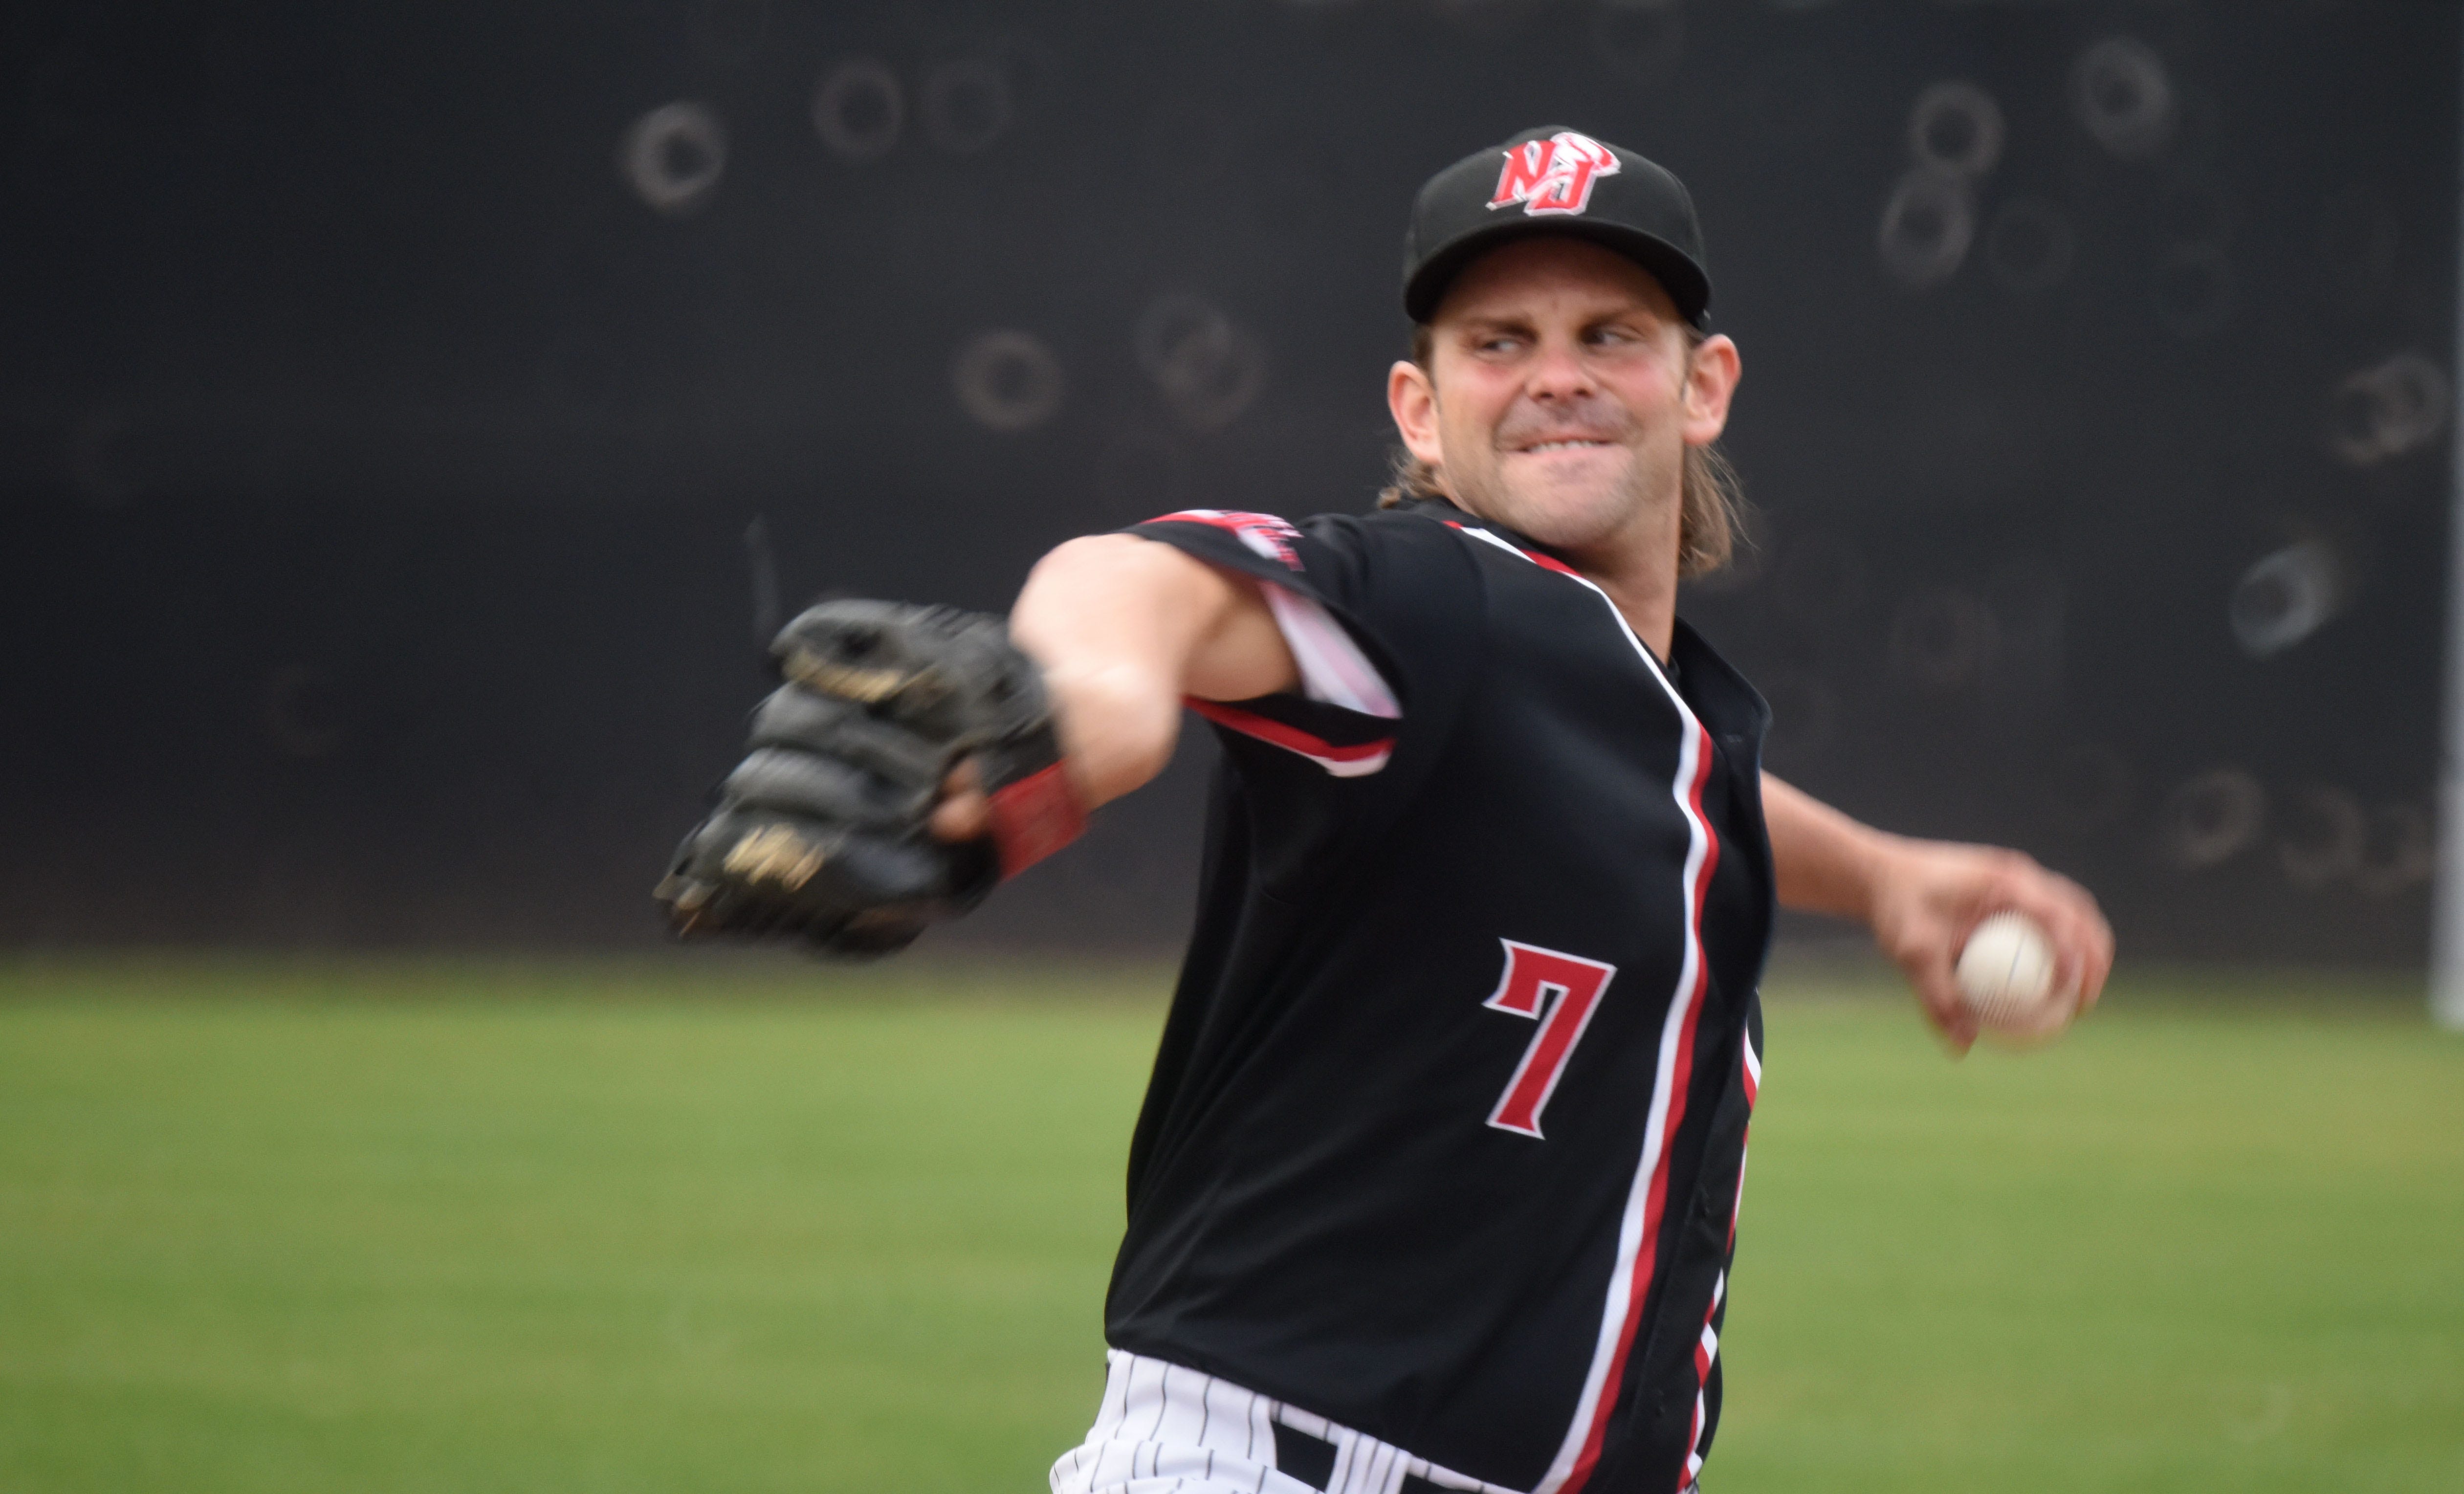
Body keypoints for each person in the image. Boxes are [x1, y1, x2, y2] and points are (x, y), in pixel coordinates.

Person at [927, 126, 2113, 1494]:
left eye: (1611, 332)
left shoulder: (1632, 719)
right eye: (1498, 341)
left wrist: (1887, 876)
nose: (1558, 374)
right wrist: (1090, 698)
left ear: (1703, 384)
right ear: (1420, 412)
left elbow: (1668, 799)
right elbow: (1142, 581)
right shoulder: (1432, 602)